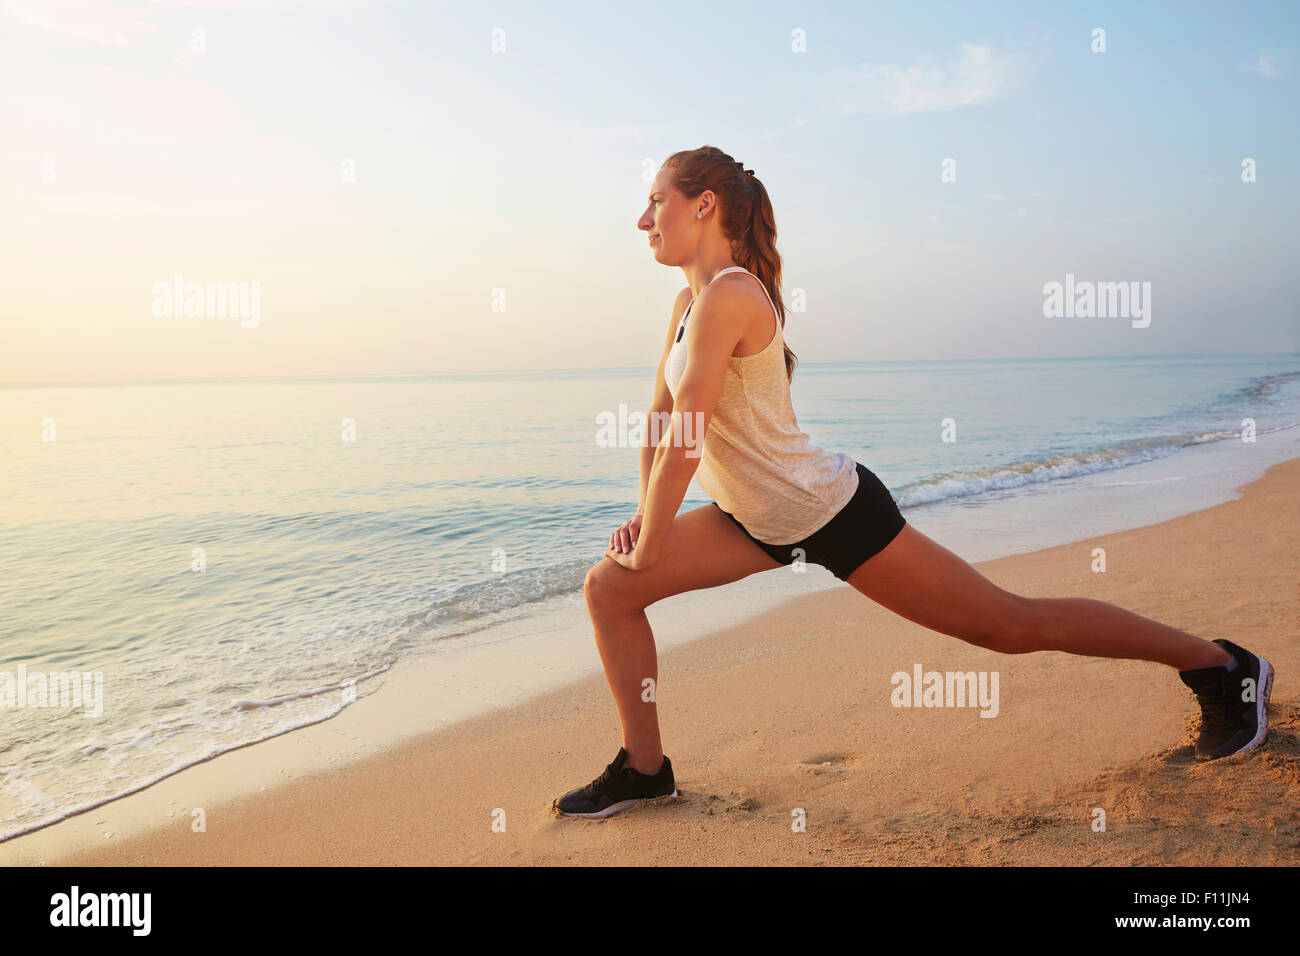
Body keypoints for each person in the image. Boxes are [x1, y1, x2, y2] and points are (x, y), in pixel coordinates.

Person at [552, 145, 1275, 819]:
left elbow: (689, 437)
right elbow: (658, 423)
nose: (643, 219)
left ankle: (1222, 666)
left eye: (656, 202)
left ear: (704, 205)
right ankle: (646, 771)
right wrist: (645, 523)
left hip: (829, 512)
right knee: (611, 588)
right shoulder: (686, 306)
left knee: (1009, 626)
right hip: (754, 519)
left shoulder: (731, 297)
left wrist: (652, 533)